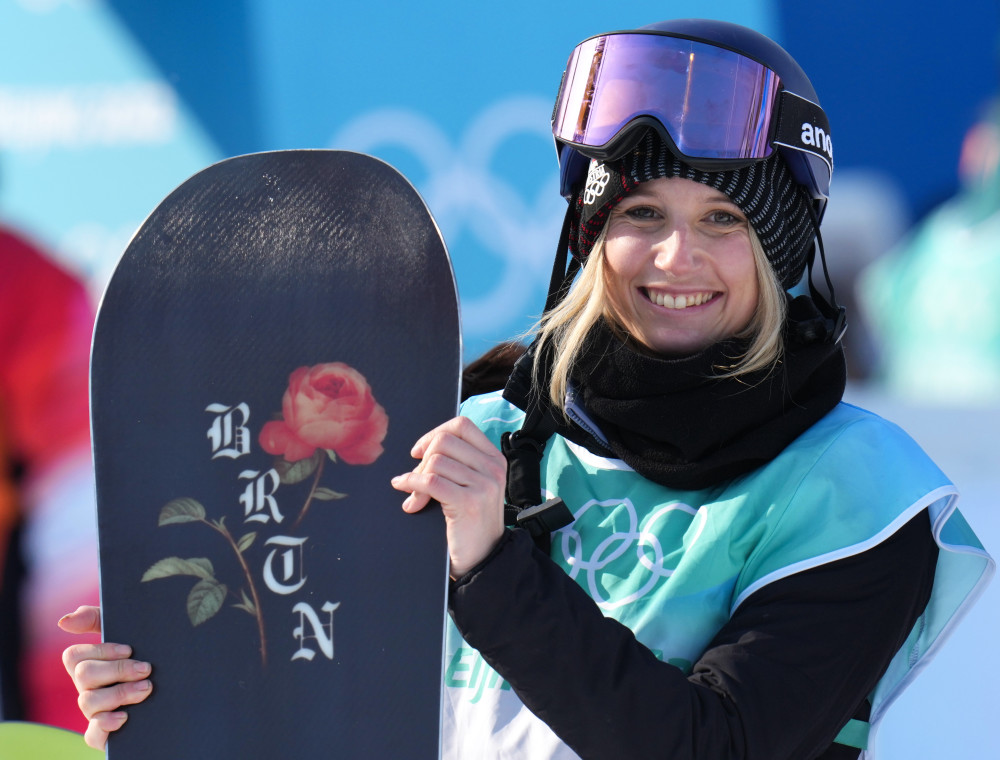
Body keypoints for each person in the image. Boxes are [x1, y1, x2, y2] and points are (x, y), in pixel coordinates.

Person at [60, 18, 992, 759]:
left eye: (723, 217)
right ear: (589, 234)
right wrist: (176, 702)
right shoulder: (479, 435)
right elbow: (331, 705)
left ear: (781, 244)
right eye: (639, 212)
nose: (678, 257)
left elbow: (720, 745)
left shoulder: (856, 492)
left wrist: (492, 568)